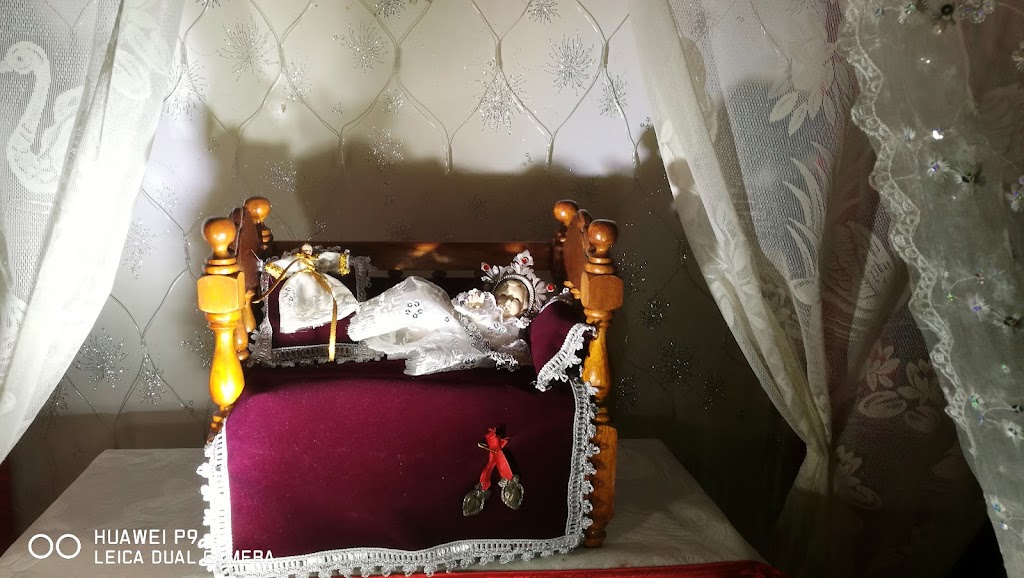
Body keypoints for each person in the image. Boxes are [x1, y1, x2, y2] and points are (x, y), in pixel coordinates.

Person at [347, 251, 553, 375]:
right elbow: (471, 312)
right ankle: (372, 323)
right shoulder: (489, 304)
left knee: (437, 341)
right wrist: (475, 307)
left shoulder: (515, 328)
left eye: (515, 299)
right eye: (504, 293)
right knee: (424, 300)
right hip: (459, 326)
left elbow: (503, 343)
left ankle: (387, 343)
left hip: (470, 343)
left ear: (525, 308)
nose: (507, 300)